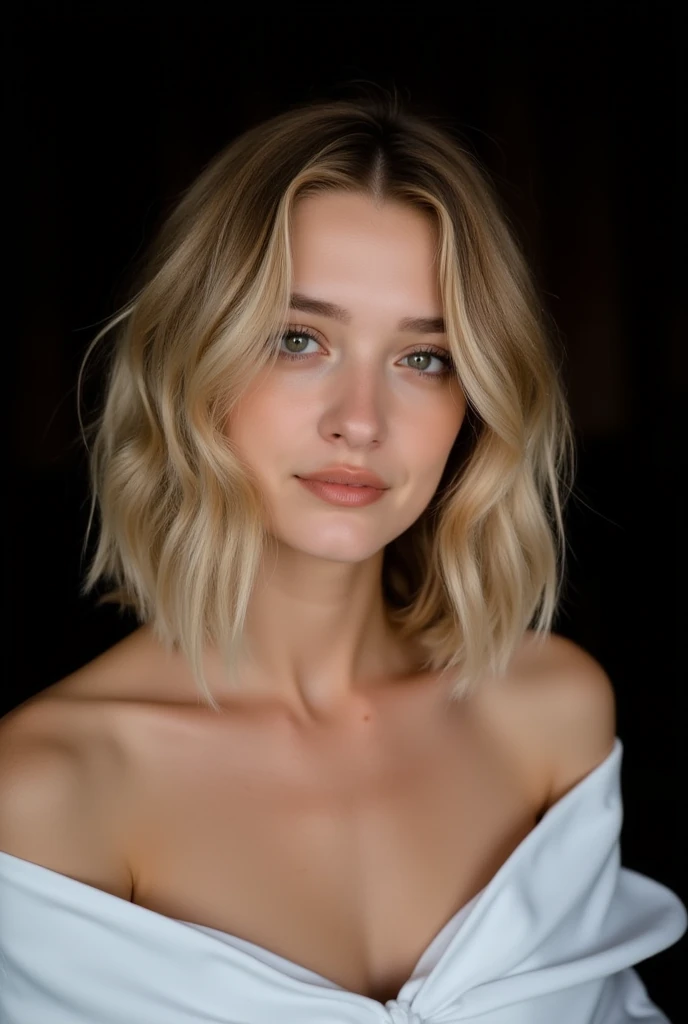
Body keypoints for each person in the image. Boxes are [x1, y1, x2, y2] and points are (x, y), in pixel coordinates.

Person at [0, 89, 684, 1024]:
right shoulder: (47, 788)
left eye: (425, 358)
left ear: (475, 403)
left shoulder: (550, 718)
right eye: (298, 339)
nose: (359, 421)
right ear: (194, 361)